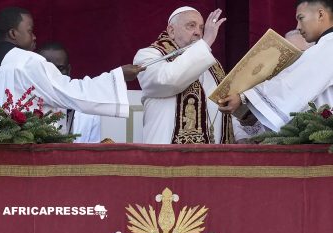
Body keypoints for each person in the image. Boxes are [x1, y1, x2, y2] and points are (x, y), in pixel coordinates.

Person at [0, 7, 144, 121]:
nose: (34, 36)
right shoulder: (27, 61)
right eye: (30, 30)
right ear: (13, 33)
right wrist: (117, 76)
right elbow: (70, 92)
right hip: (28, 154)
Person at [134, 6, 254, 144]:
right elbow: (169, 81)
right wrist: (206, 42)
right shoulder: (150, 55)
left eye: (202, 28)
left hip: (215, 157)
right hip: (169, 156)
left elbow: (224, 106)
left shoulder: (212, 66)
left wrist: (240, 136)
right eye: (191, 26)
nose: (198, 32)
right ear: (171, 31)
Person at [218, 0, 333, 132]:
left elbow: (290, 84)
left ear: (320, 15)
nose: (298, 27)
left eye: (301, 18)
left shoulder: (327, 47)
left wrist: (244, 98)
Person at [37, 42, 101, 142]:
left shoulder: (88, 111)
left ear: (69, 70)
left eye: (60, 68)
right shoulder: (24, 106)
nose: (54, 75)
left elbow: (93, 154)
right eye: (47, 69)